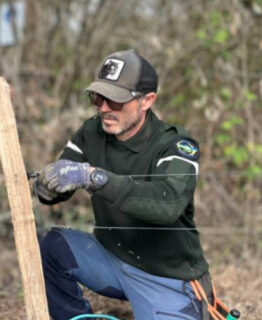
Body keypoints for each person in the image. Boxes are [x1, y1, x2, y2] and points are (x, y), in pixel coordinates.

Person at [34, 49, 213, 320]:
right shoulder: (91, 132)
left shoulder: (175, 145)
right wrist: (47, 187)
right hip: (111, 259)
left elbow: (168, 204)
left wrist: (95, 178)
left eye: (116, 100)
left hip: (166, 278)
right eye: (98, 97)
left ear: (147, 101)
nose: (104, 108)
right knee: (53, 246)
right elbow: (60, 185)